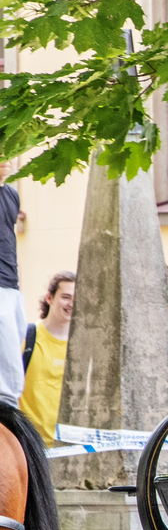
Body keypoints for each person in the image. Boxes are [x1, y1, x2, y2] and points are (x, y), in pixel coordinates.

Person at [17, 272, 75, 445]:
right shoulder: (26, 337)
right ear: (49, 298)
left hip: (69, 450)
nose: (72, 304)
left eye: (77, 298)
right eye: (66, 297)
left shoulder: (82, 348)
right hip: (29, 446)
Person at [0, 160, 25, 409]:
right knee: (5, 389)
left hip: (11, 287)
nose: (5, 159)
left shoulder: (11, 195)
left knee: (11, 375)